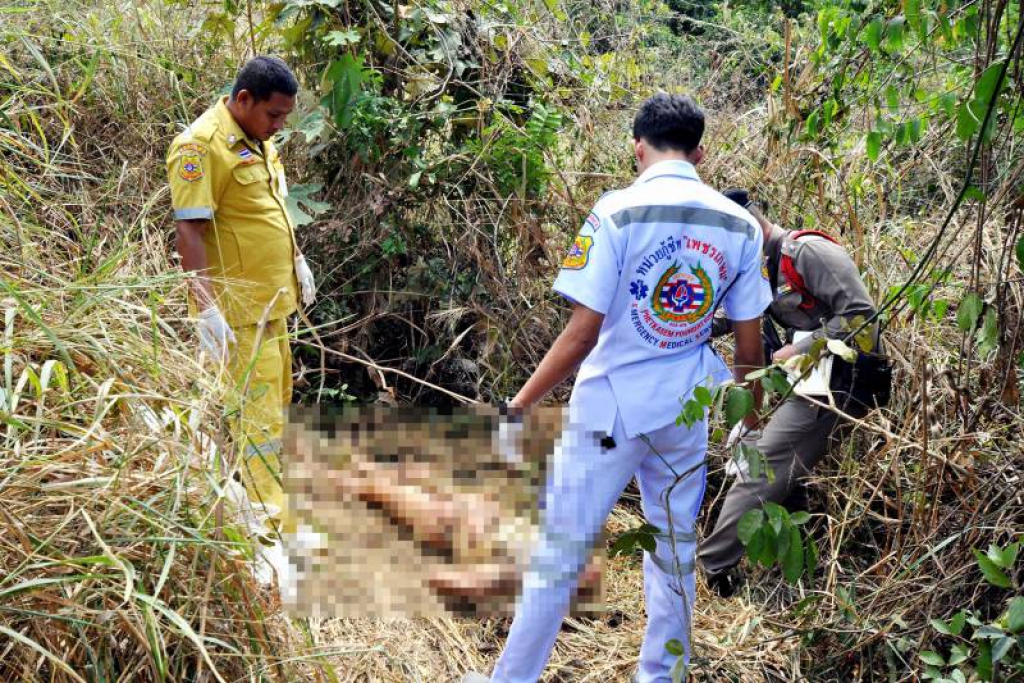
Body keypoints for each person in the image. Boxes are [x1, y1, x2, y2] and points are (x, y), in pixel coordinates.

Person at [463, 93, 771, 683]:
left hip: (610, 411)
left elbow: (582, 334)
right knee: (675, 553)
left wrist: (521, 404)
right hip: (688, 410)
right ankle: (662, 677)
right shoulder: (737, 224)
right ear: (700, 152)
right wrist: (745, 426)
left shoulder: (618, 212)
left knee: (563, 549)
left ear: (637, 146)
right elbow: (750, 350)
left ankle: (511, 679)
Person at [698, 188, 888, 597]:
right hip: (802, 380)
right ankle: (796, 578)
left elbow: (863, 319)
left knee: (763, 464)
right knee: (786, 476)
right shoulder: (756, 268)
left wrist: (798, 348)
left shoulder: (806, 253)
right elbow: (734, 318)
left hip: (838, 382)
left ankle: (711, 569)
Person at [166, 56, 316, 540]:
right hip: (237, 313)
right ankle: (266, 528)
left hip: (272, 303)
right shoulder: (200, 146)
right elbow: (189, 231)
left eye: (285, 117)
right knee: (258, 417)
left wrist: (296, 259)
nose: (279, 126)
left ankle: (268, 504)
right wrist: (206, 307)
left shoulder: (257, 137)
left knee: (278, 401)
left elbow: (267, 207)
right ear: (244, 99)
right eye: (274, 115)